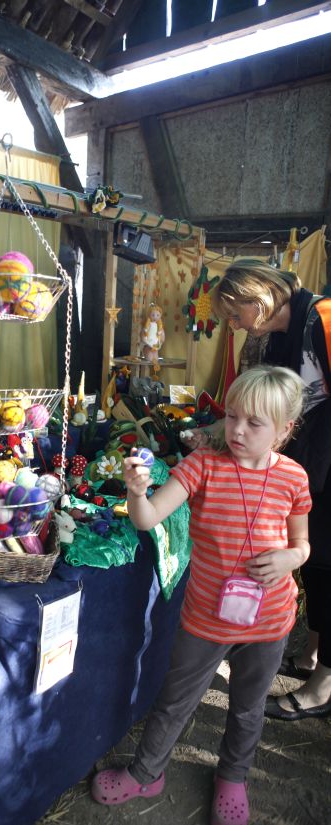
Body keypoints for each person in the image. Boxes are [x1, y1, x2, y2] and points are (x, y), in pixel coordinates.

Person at [91, 365, 311, 825]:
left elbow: (302, 544)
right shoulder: (203, 466)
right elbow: (148, 519)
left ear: (284, 429)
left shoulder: (293, 477)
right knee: (175, 700)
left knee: (248, 708)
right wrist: (136, 492)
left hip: (270, 621)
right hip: (206, 619)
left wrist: (291, 558)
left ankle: (233, 776)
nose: (237, 430)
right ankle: (146, 773)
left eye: (254, 423)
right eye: (232, 416)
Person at [212, 259, 331, 722]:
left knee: (327, 565)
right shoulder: (281, 337)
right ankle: (312, 655)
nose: (235, 323)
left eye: (235, 313)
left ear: (257, 298)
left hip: (327, 464)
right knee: (317, 564)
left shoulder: (323, 318)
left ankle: (323, 688)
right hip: (312, 466)